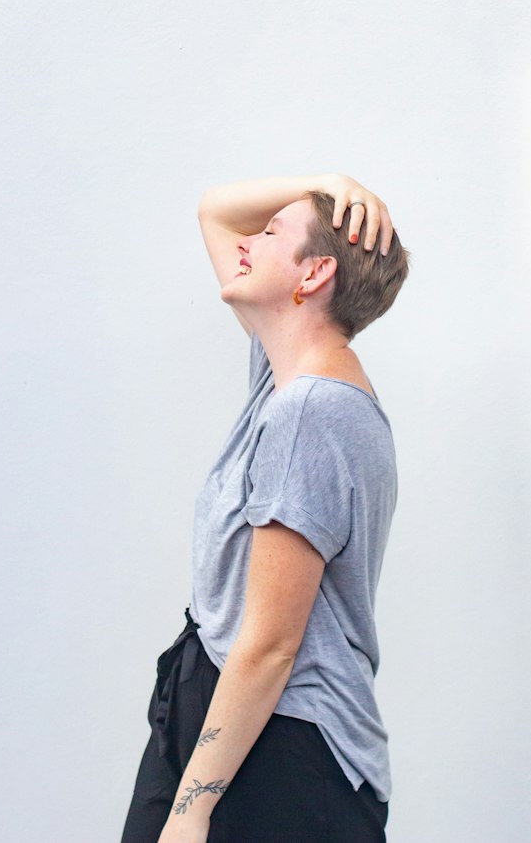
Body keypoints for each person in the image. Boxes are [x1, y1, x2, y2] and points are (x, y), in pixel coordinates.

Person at [119, 171, 411, 843]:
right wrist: (329, 181)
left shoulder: (311, 414)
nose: (248, 242)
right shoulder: (284, 379)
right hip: (227, 706)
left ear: (312, 276)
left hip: (284, 745)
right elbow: (215, 213)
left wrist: (191, 811)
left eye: (273, 233)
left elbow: (273, 645)